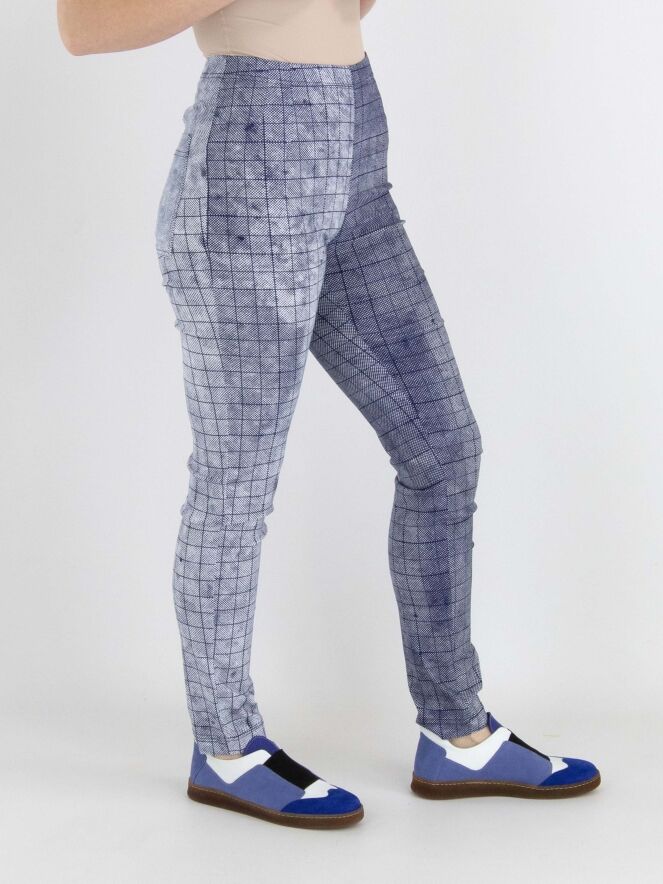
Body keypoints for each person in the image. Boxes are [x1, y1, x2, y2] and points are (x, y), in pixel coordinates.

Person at [57, 0, 600, 828]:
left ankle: (457, 735)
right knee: (236, 483)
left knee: (443, 450)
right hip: (247, 177)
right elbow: (81, 27)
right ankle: (227, 749)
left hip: (355, 164)